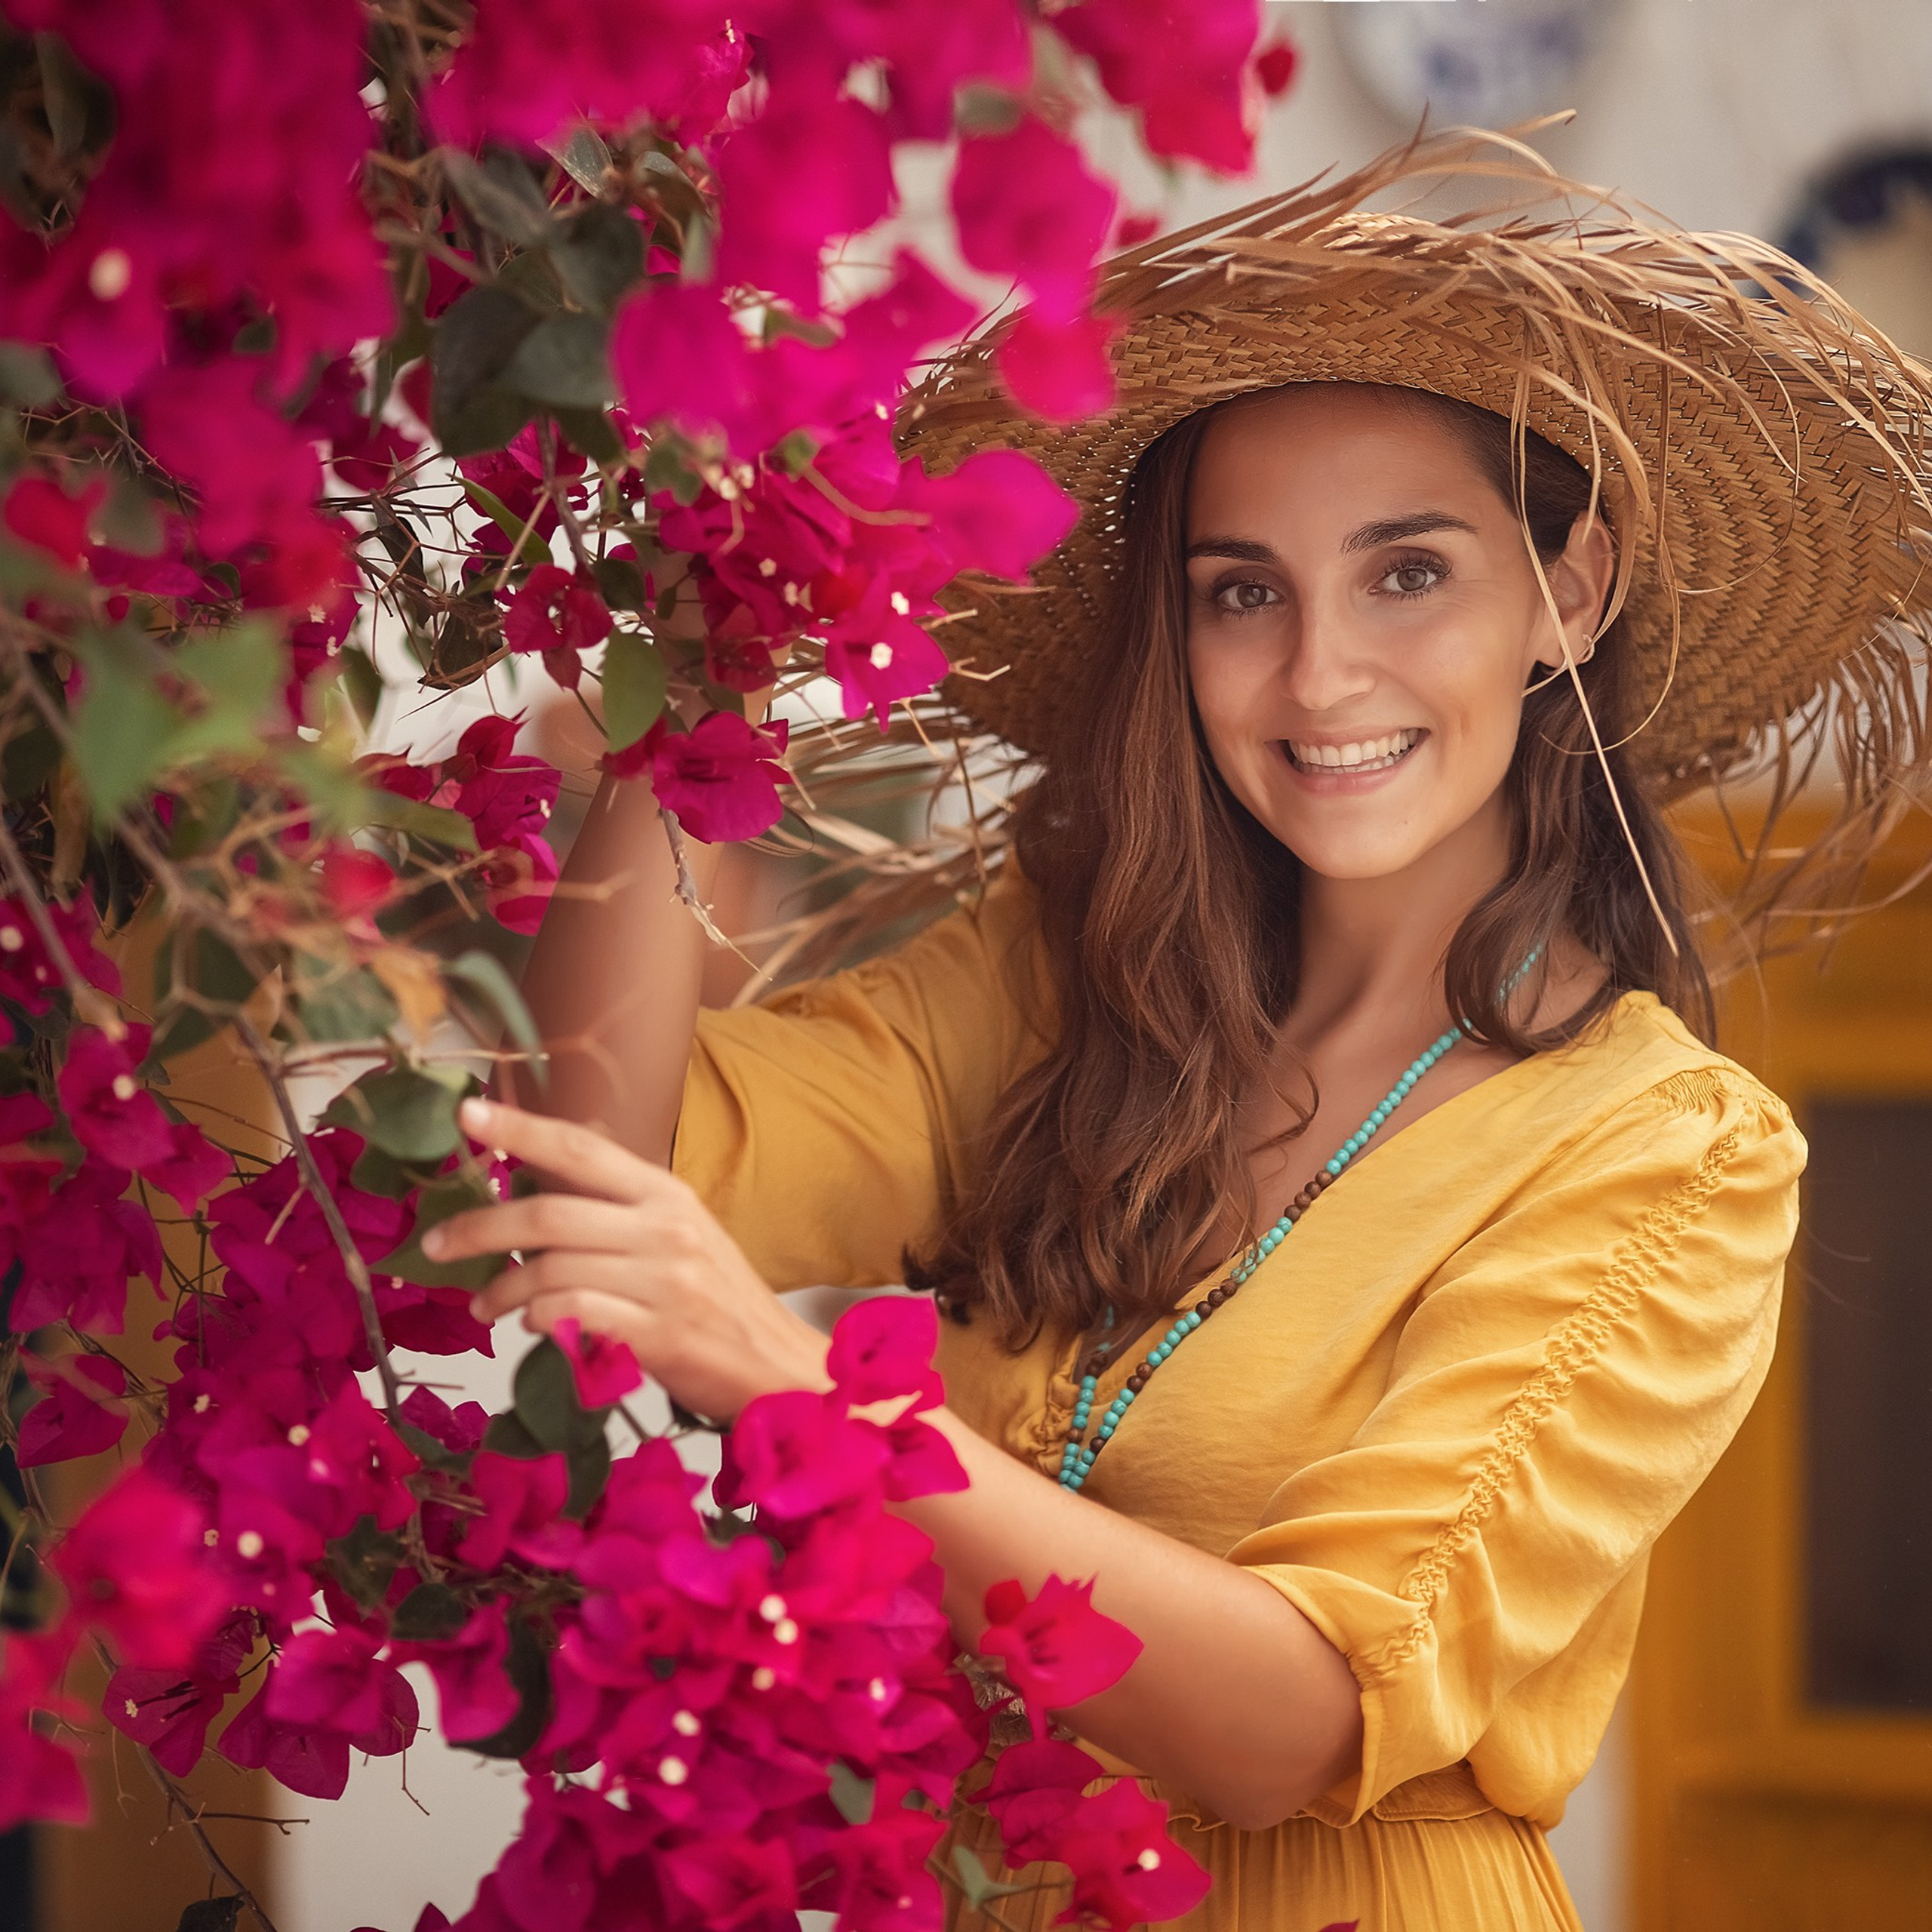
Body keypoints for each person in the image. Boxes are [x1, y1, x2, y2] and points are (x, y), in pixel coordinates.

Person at [422, 134, 1932, 1928]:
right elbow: (606, 1161)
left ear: (1566, 594)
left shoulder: (1664, 1151)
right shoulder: (1058, 985)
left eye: (1406, 573)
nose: (1314, 675)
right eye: (1240, 590)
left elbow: (1295, 1719)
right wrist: (702, 688)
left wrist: (791, 1385)